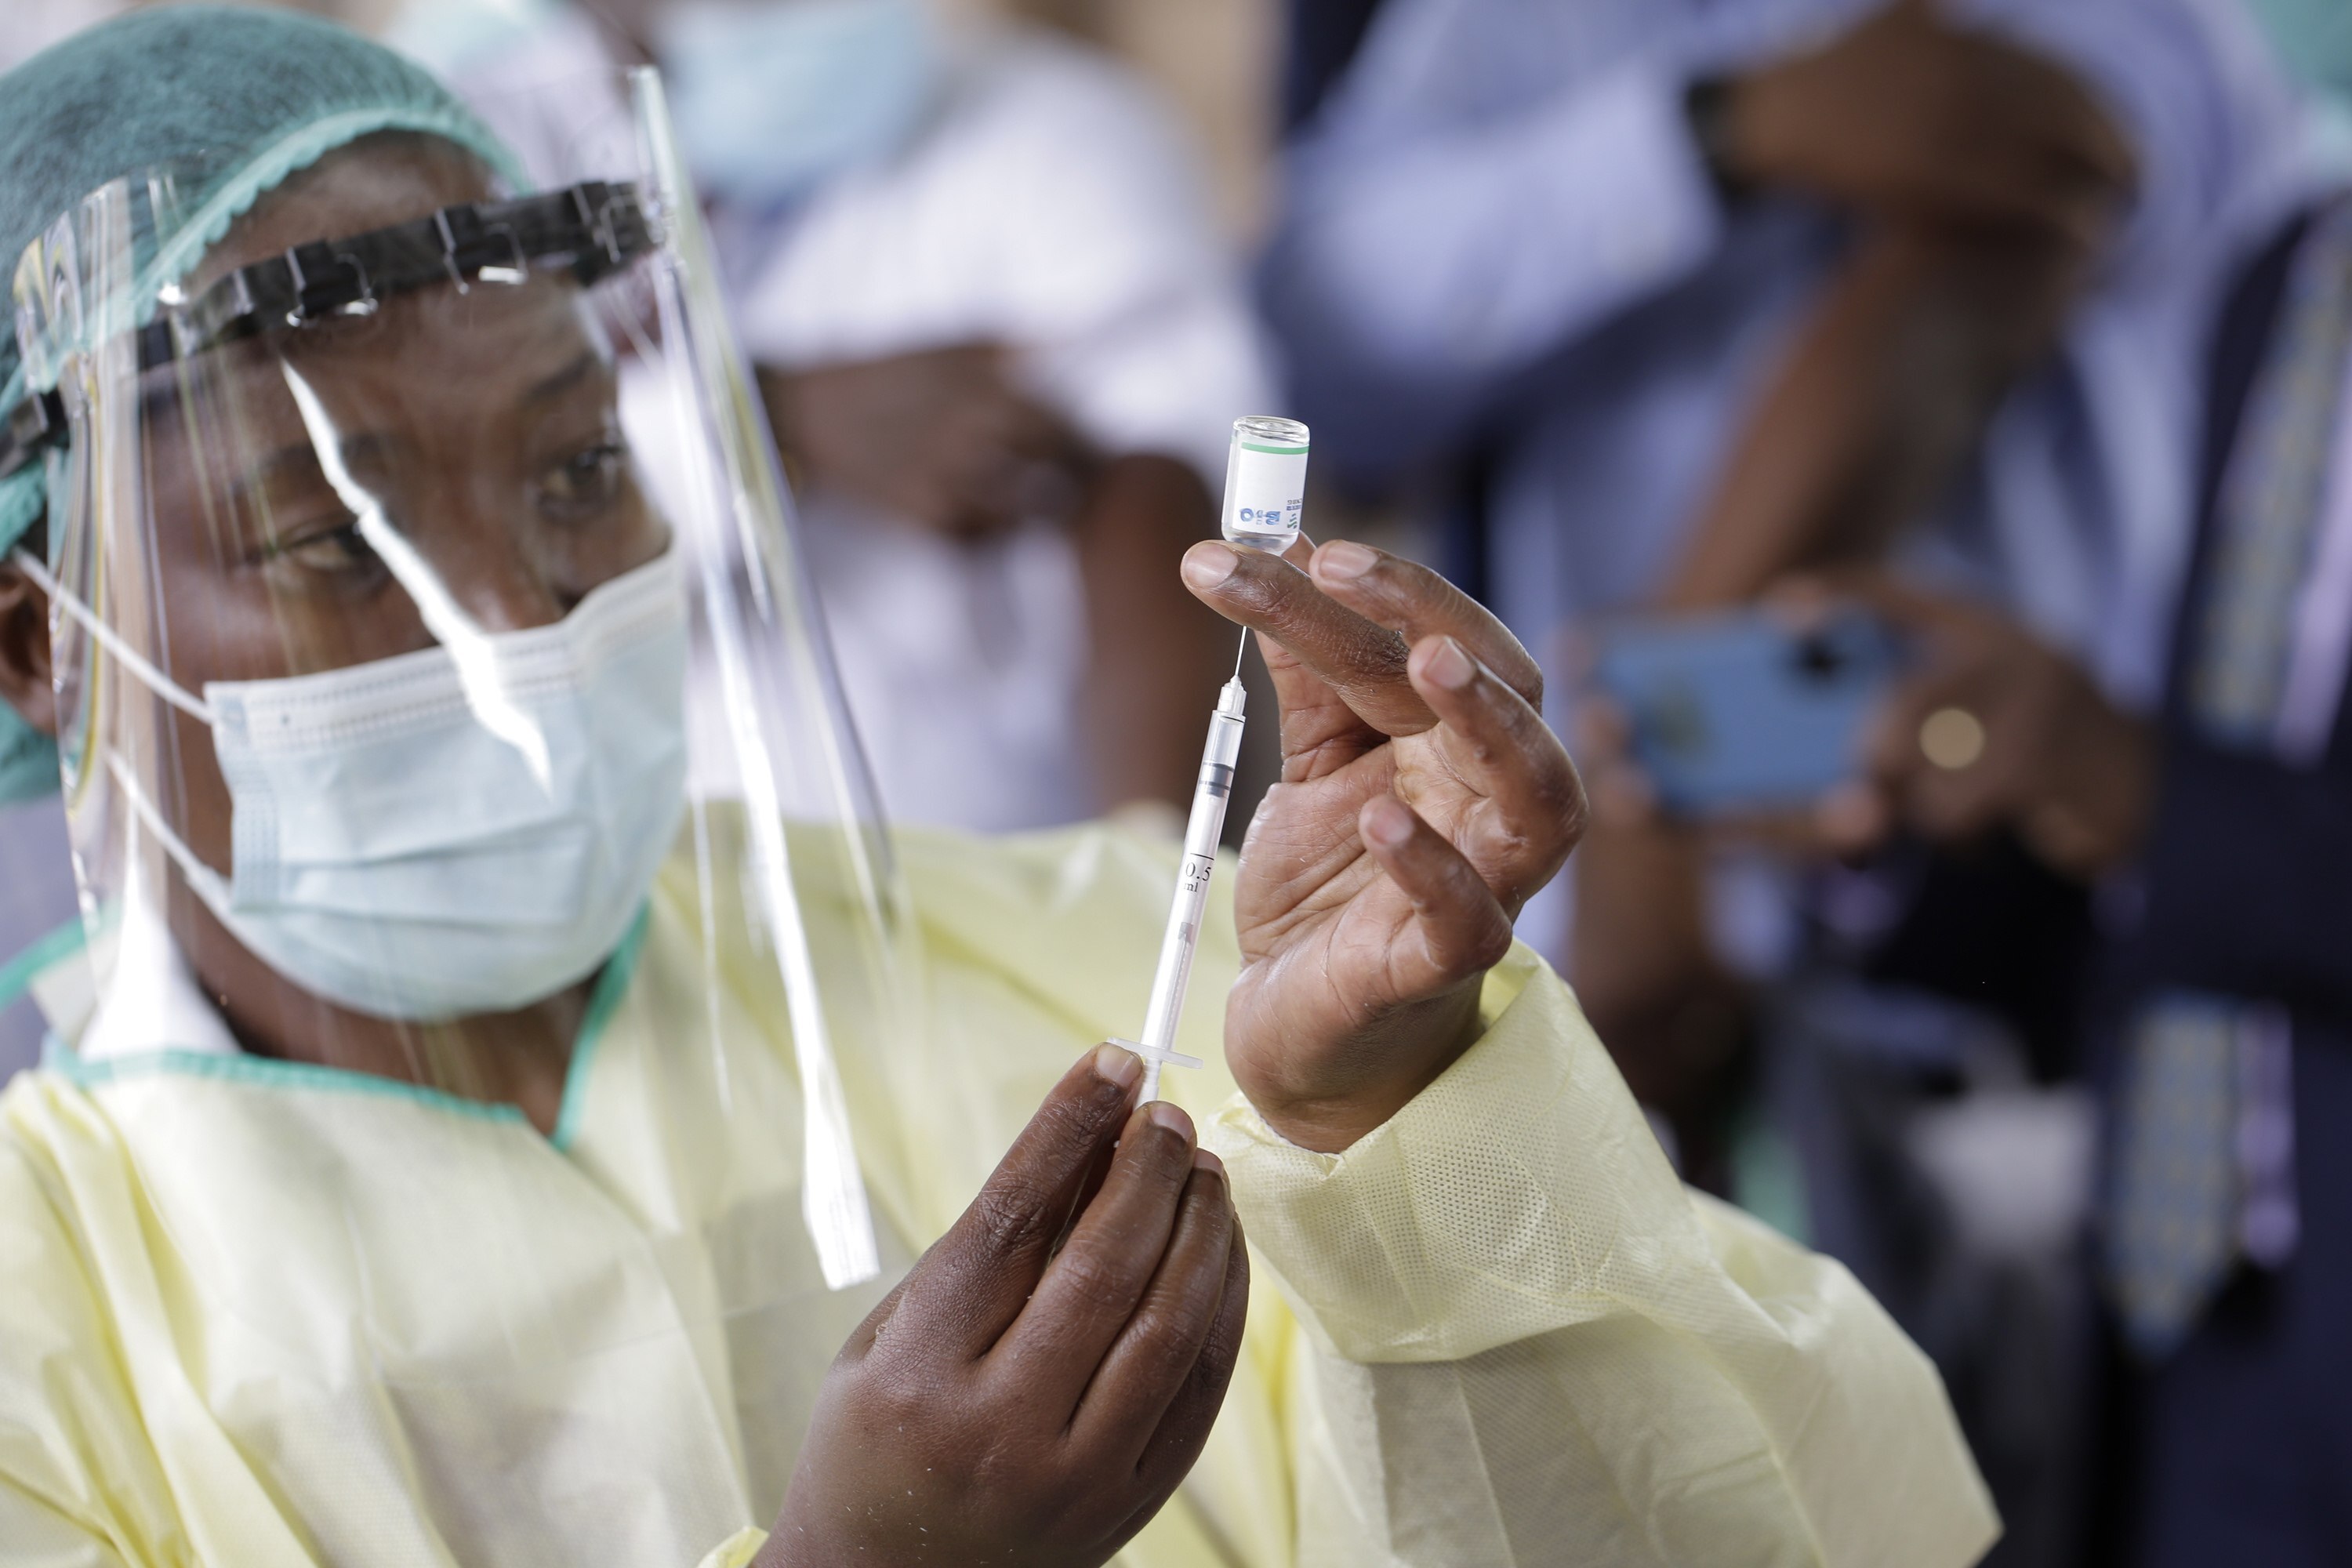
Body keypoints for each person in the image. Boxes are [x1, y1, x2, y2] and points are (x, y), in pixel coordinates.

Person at [0, 9, 2006, 1567]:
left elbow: (1788, 1509)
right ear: (35, 642)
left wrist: (1400, 1136)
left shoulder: (1099, 961)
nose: (522, 613)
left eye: (574, 471)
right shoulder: (45, 1324)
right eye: (329, 538)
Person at [397, 0, 1267, 833]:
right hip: (634, 901)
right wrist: (768, 420)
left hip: (1012, 871)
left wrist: (1160, 896)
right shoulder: (451, 154)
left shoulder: (1060, 131)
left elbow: (1179, 511)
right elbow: (445, 523)